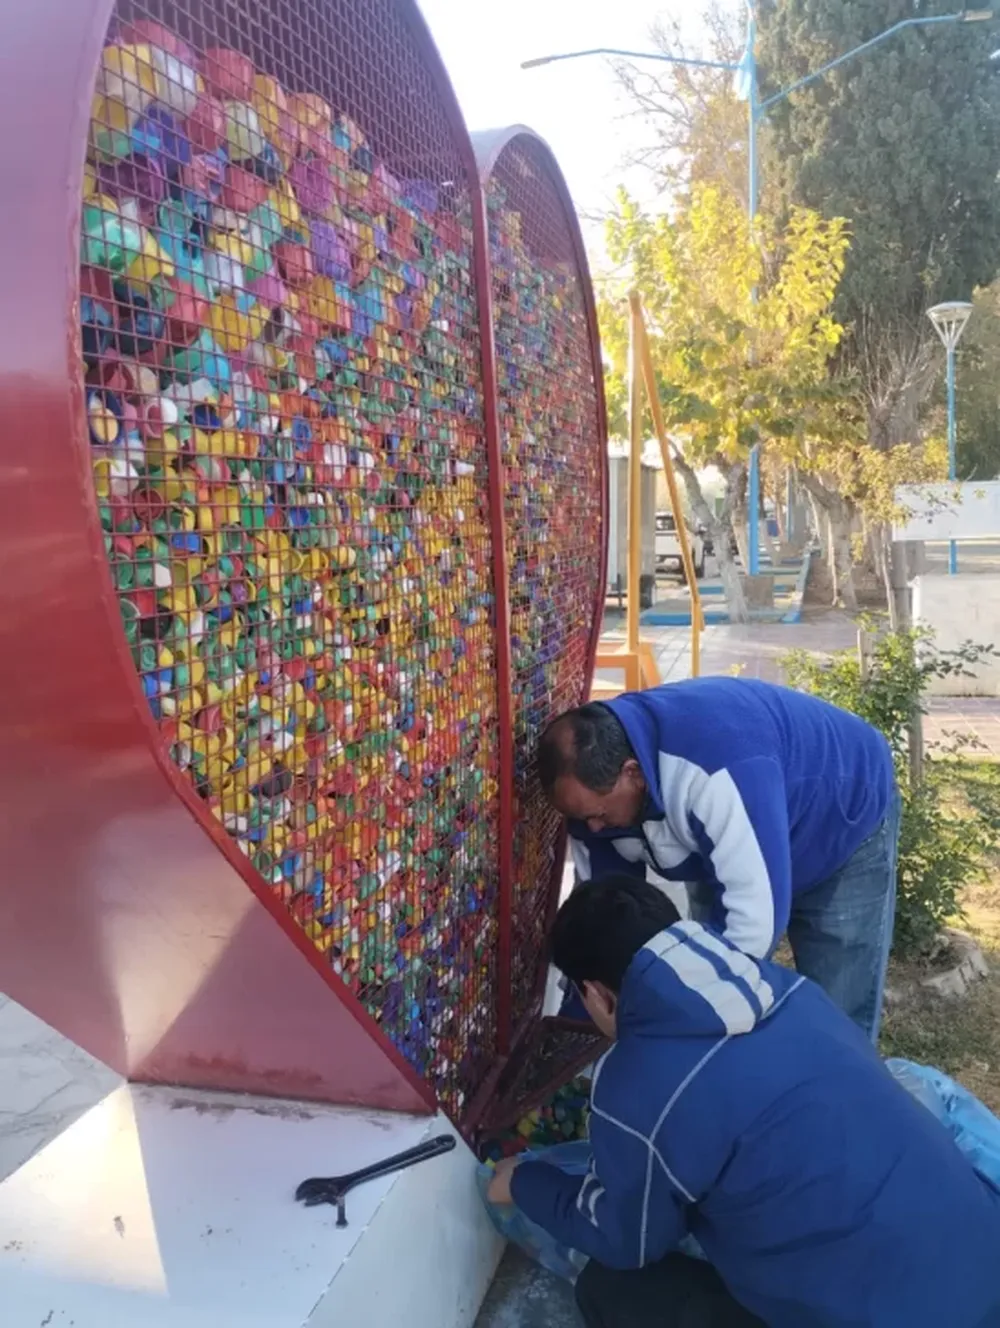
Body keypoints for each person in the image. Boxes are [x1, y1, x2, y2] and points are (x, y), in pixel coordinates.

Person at [488, 876, 1000, 1328]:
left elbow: (630, 1240)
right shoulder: (792, 990)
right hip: (983, 1268)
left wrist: (526, 1181)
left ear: (597, 994)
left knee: (615, 1291)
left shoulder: (635, 1083)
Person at [537, 678, 899, 1040]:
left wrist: (677, 1029)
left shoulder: (715, 774)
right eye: (582, 817)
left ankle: (833, 1090)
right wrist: (582, 1028)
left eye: (597, 813)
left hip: (840, 812)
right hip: (749, 816)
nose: (594, 829)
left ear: (633, 774)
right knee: (707, 963)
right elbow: (598, 928)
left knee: (834, 1005)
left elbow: (752, 929)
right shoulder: (593, 796)